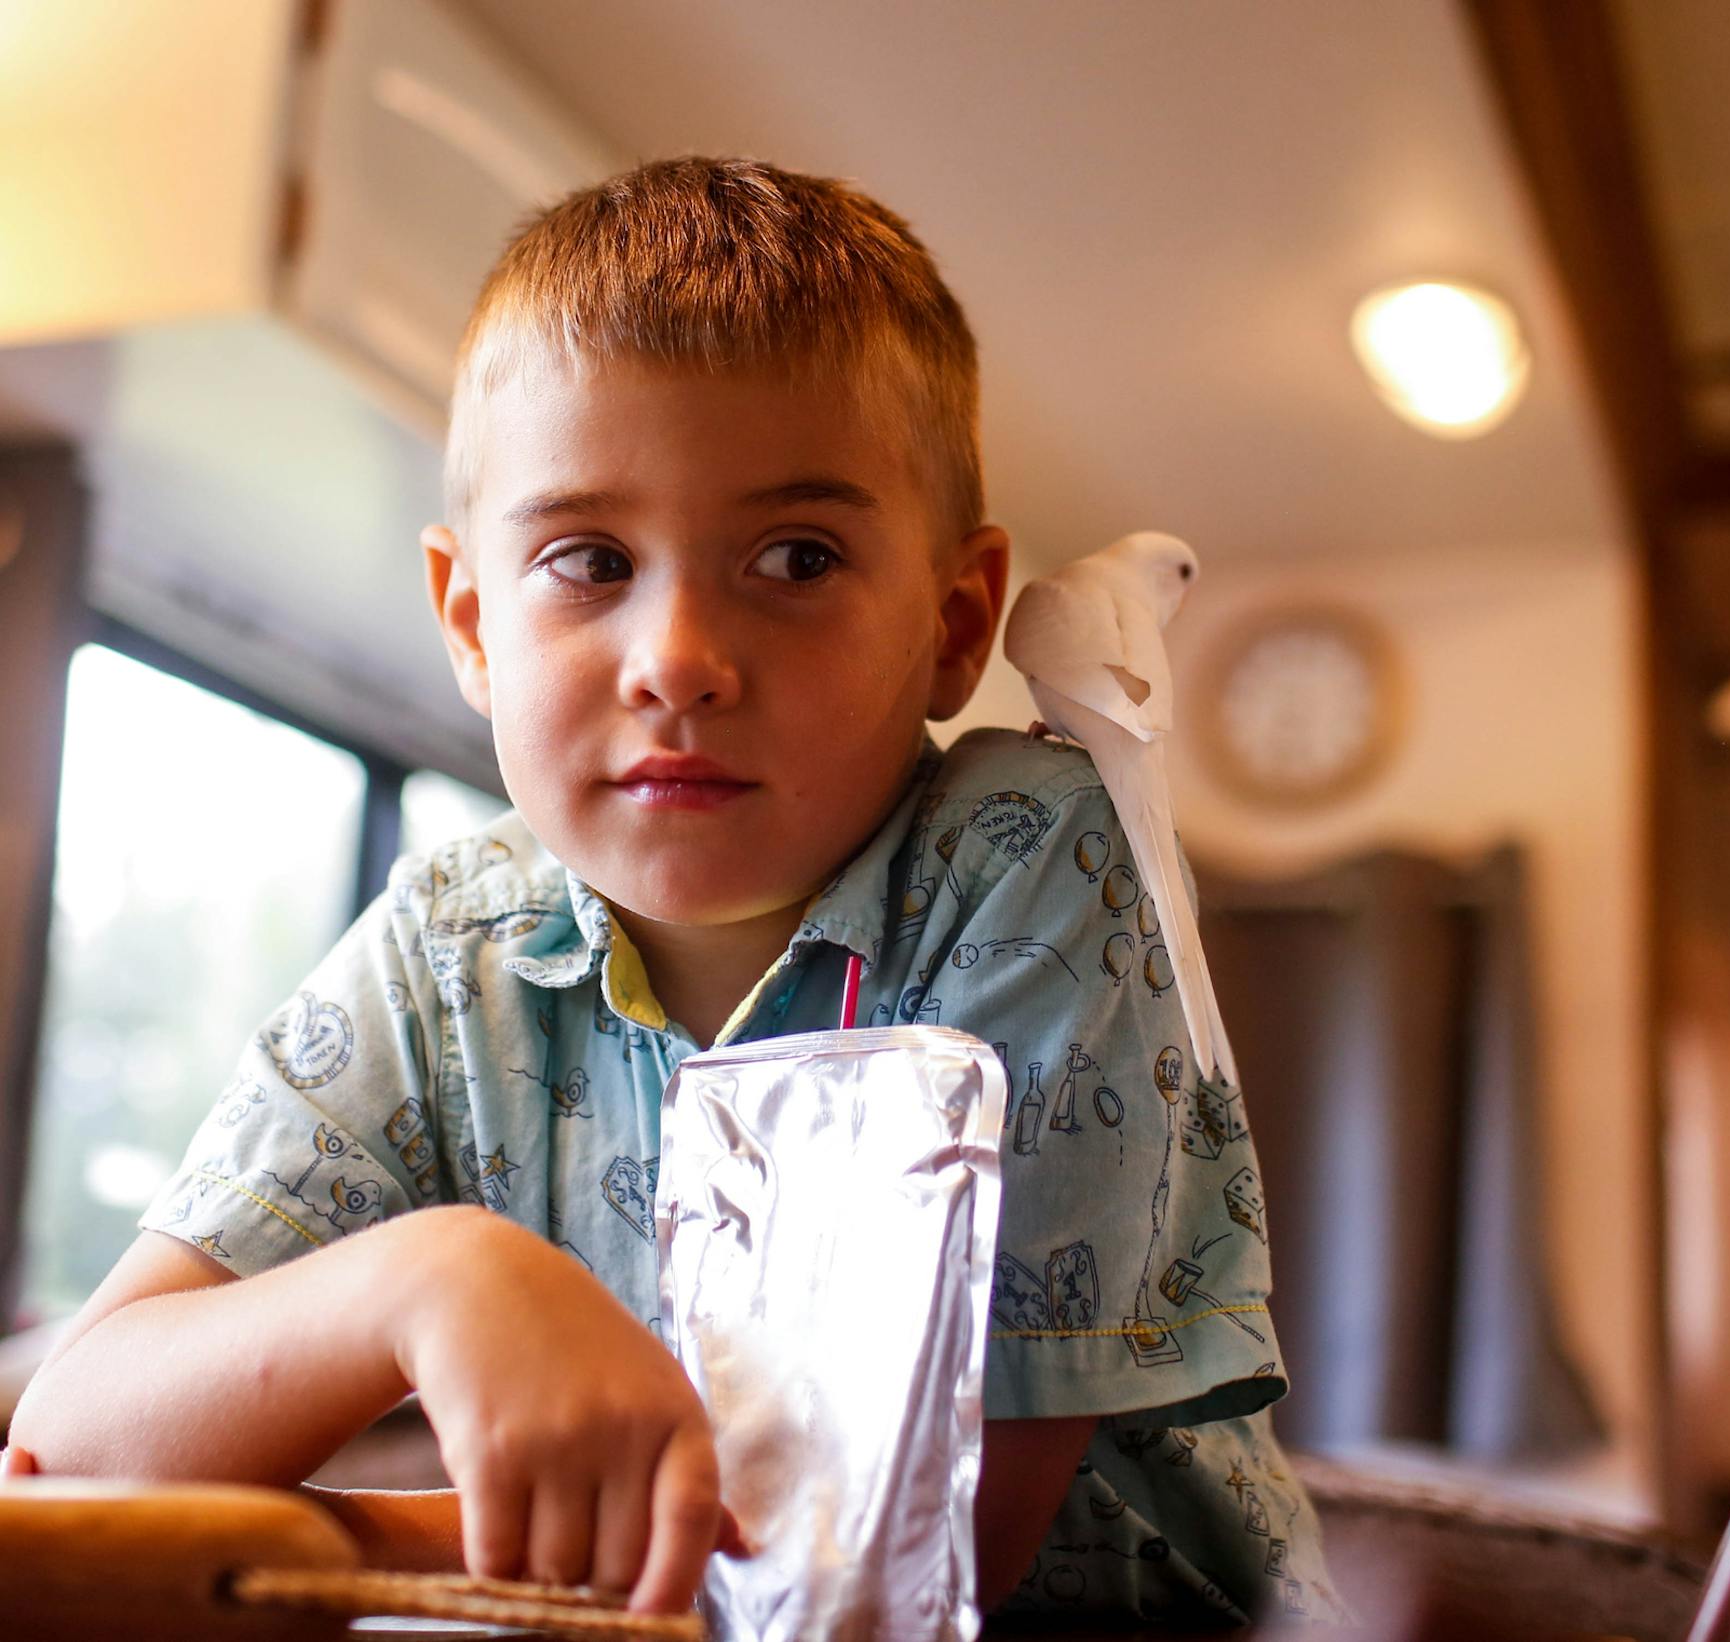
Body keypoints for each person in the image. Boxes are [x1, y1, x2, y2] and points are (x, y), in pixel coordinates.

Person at [5, 156, 1336, 1625]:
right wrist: (425, 1278)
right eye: (587, 558)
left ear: (957, 625)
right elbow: (74, 1445)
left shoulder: (1028, 858)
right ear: (470, 622)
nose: (680, 655)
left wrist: (358, 1555)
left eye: (796, 555)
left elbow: (876, 1568)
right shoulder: (448, 951)